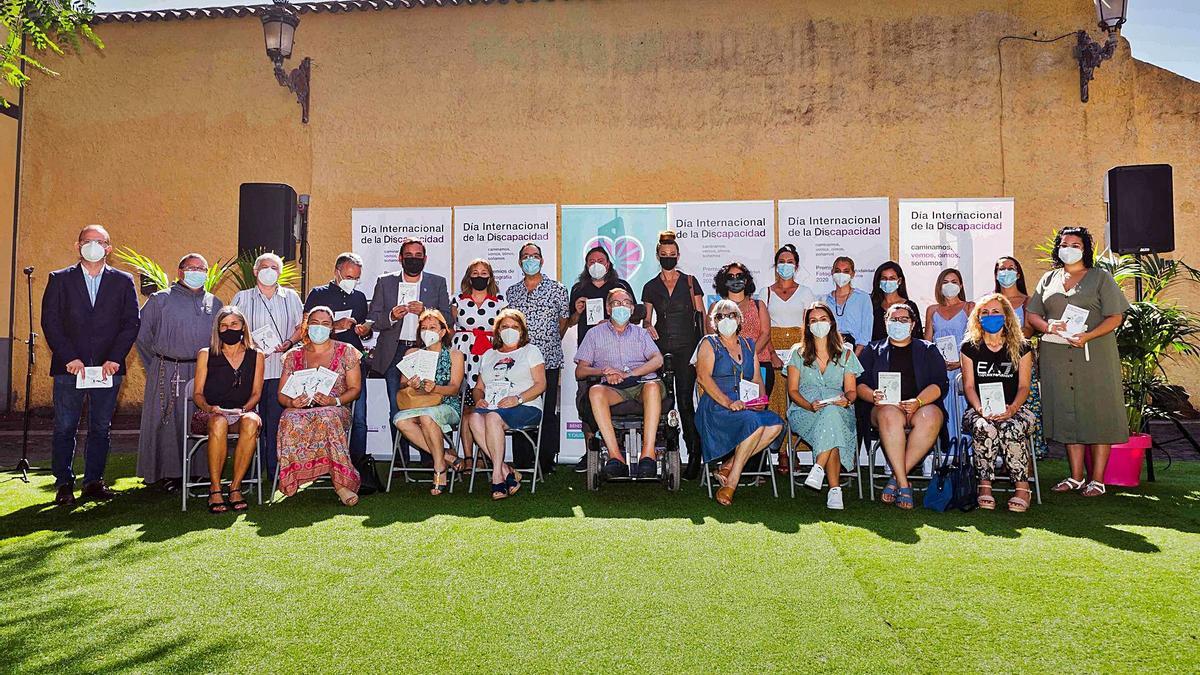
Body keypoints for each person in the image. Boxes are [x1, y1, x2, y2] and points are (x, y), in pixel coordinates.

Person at [1026, 226, 1130, 498]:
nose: (1068, 248)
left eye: (1075, 244)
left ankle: (1097, 480)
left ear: (1085, 249)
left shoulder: (1100, 278)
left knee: (1097, 413)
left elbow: (1115, 317)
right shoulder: (1049, 279)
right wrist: (1048, 327)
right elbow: (1032, 315)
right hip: (1057, 356)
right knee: (1067, 413)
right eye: (1064, 243)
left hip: (1094, 355)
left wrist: (1088, 336)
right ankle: (1075, 476)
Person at [41, 224, 140, 506]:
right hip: (70, 369)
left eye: (99, 241)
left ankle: (93, 481)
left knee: (101, 427)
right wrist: (69, 357)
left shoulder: (123, 281)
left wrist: (115, 358)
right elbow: (51, 321)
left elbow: (131, 323)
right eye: (87, 241)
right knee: (65, 427)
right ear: (77, 246)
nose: (93, 245)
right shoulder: (59, 279)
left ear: (109, 248)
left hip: (108, 370)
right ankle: (63, 484)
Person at [136, 253, 223, 492]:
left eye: (202, 268)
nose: (197, 272)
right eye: (191, 267)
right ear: (180, 271)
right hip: (167, 368)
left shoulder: (215, 303)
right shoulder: (159, 300)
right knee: (168, 420)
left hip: (203, 370)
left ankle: (201, 471)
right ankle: (168, 473)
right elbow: (142, 336)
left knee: (199, 418)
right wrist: (157, 365)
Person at [367, 237, 452, 466]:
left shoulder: (437, 282)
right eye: (409, 256)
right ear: (400, 258)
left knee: (427, 405)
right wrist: (392, 317)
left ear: (425, 259)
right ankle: (401, 462)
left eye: (418, 256)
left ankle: (431, 459)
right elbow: (374, 319)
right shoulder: (385, 282)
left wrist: (427, 311)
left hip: (427, 351)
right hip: (394, 353)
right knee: (398, 407)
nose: (413, 259)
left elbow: (449, 318)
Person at [857, 303, 948, 509]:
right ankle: (904, 484)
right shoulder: (872, 349)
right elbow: (859, 383)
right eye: (893, 319)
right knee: (889, 413)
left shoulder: (928, 349)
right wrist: (873, 395)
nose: (898, 323)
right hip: (883, 409)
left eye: (904, 320)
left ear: (913, 324)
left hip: (920, 406)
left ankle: (897, 479)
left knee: (932, 416)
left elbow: (940, 383)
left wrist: (918, 402)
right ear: (885, 322)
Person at [694, 299, 784, 506]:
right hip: (717, 407)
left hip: (745, 406)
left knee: (775, 424)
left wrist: (760, 399)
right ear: (714, 322)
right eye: (720, 316)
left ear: (740, 319)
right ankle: (731, 483)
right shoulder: (709, 343)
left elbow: (756, 379)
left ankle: (728, 466)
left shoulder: (748, 345)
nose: (726, 320)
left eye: (731, 315)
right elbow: (703, 378)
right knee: (754, 423)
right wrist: (728, 403)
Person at [304, 252, 378, 493]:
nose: (352, 281)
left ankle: (356, 469)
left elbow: (364, 329)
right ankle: (321, 467)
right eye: (348, 276)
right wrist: (335, 326)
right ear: (336, 272)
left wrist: (364, 329)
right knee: (322, 414)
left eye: (356, 277)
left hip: (353, 362)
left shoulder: (359, 297)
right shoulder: (318, 294)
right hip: (324, 364)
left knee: (359, 419)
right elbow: (308, 329)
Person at [276, 307, 363, 506]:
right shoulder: (293, 355)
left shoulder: (346, 351)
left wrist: (335, 401)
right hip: (300, 408)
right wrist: (292, 402)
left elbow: (355, 389)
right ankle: (293, 477)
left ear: (332, 327)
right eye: (315, 322)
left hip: (335, 408)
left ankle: (340, 484)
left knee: (327, 416)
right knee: (288, 416)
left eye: (325, 324)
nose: (319, 328)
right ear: (307, 326)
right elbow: (282, 394)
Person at [574, 288, 664, 480]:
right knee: (595, 391)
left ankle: (648, 455)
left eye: (626, 303)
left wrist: (628, 373)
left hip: (641, 383)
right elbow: (580, 371)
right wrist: (604, 371)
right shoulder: (594, 334)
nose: (621, 307)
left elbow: (657, 360)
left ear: (632, 309)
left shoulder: (641, 334)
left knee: (653, 386)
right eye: (616, 303)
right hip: (612, 387)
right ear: (608, 308)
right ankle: (616, 457)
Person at [567, 246, 643, 471]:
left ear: (609, 264)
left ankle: (618, 451)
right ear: (586, 265)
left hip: (621, 356)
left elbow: (636, 314)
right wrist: (578, 312)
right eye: (591, 261)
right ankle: (590, 449)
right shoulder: (579, 288)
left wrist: (610, 321)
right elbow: (570, 321)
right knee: (585, 402)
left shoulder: (620, 287)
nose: (596, 264)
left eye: (600, 260)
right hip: (590, 358)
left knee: (624, 400)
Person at [960, 294, 1037, 512]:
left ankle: (1022, 487)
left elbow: (1024, 387)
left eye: (996, 312)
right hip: (979, 410)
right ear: (978, 317)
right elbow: (969, 387)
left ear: (1006, 317)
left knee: (1010, 426)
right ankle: (984, 486)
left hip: (1015, 408)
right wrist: (981, 409)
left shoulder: (1022, 347)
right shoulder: (969, 347)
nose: (990, 316)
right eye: (985, 312)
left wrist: (1012, 408)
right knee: (985, 427)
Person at [231, 252, 304, 481]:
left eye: (274, 267)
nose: (269, 271)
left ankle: (275, 473)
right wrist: (248, 344)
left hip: (280, 373)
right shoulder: (242, 298)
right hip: (250, 372)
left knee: (275, 423)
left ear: (280, 273)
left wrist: (290, 342)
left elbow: (302, 327)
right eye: (264, 267)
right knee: (250, 423)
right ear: (255, 271)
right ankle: (249, 471)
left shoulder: (290, 297)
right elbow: (231, 328)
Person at [640, 231, 705, 479]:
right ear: (658, 256)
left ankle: (695, 456)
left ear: (678, 255)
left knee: (686, 403)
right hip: (662, 348)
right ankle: (670, 455)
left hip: (688, 348)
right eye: (664, 255)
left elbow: (701, 316)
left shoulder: (690, 281)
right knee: (666, 404)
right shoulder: (650, 286)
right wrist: (647, 324)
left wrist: (703, 350)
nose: (669, 258)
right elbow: (646, 318)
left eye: (672, 254)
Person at [785, 303, 862, 510]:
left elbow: (852, 391)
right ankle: (834, 490)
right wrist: (809, 406)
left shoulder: (846, 353)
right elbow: (792, 391)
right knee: (832, 422)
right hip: (805, 410)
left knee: (832, 415)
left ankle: (819, 467)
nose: (818, 324)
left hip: (839, 408)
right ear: (807, 326)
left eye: (823, 319)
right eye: (813, 320)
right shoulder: (797, 352)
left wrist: (846, 400)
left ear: (831, 322)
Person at [467, 309, 547, 500]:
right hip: (494, 406)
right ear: (497, 331)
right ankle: (506, 470)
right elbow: (478, 387)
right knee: (474, 418)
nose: (509, 330)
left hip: (526, 405)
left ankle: (497, 478)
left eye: (514, 327)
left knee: (493, 418)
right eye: (505, 327)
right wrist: (479, 398)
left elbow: (541, 384)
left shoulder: (531, 351)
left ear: (522, 330)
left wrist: (517, 399)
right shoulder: (488, 354)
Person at [504, 242, 569, 475]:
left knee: (547, 410)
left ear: (542, 261)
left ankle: (545, 460)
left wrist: (548, 339)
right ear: (520, 262)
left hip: (548, 359)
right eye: (526, 256)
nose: (530, 259)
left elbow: (564, 322)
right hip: (518, 362)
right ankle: (522, 459)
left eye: (535, 256)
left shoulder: (557, 289)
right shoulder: (512, 292)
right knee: (520, 405)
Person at [192, 306, 265, 513]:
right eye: (224, 325)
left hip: (242, 412)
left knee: (251, 421)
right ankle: (215, 488)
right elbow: (197, 394)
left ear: (243, 327)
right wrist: (210, 408)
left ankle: (235, 487)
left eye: (234, 324)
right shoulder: (207, 354)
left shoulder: (256, 355)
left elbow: (256, 393)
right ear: (217, 329)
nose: (229, 329)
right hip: (210, 414)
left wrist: (244, 409)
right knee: (218, 421)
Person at [392, 309, 465, 495]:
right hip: (418, 404)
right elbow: (401, 386)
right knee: (400, 420)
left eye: (432, 327)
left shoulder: (455, 355)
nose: (427, 331)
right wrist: (410, 383)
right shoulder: (412, 353)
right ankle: (446, 457)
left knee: (426, 417)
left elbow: (455, 388)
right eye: (423, 328)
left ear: (442, 332)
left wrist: (436, 388)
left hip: (447, 404)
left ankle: (439, 468)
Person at [451, 259, 508, 465]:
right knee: (466, 408)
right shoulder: (457, 299)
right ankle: (468, 457)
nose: (479, 276)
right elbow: (450, 327)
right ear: (468, 276)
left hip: (490, 355)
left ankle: (486, 455)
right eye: (475, 273)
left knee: (484, 406)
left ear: (490, 277)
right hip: (462, 355)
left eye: (484, 273)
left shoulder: (501, 301)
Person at [765, 244, 814, 473]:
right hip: (773, 348)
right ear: (776, 266)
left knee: (796, 398)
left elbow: (809, 325)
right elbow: (764, 328)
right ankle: (782, 452)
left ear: (796, 265)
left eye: (790, 261)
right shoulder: (765, 293)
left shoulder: (806, 292)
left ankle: (797, 449)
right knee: (777, 400)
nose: (785, 265)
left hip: (798, 349)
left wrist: (803, 352)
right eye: (781, 261)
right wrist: (772, 353)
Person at [995, 255, 1048, 459]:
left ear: (1018, 274)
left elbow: (1029, 330)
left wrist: (1004, 334)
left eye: (1010, 268)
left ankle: (1026, 457)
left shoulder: (1028, 301)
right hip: (993, 363)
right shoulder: (991, 300)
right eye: (1001, 269)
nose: (1006, 272)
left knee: (1022, 405)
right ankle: (997, 453)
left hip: (1019, 361)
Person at [924, 268, 974, 443]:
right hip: (940, 370)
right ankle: (945, 451)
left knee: (962, 406)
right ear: (939, 286)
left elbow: (975, 340)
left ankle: (966, 452)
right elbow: (927, 342)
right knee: (942, 407)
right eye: (945, 282)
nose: (949, 286)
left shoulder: (970, 307)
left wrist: (960, 362)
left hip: (963, 369)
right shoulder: (932, 310)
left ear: (961, 285)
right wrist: (934, 363)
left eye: (954, 282)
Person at [714, 261, 773, 405]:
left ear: (746, 280)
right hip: (727, 369)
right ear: (724, 282)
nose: (735, 279)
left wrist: (748, 359)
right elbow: (714, 340)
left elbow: (765, 334)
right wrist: (735, 360)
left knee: (757, 408)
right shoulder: (716, 309)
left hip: (760, 363)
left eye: (739, 276)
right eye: (730, 276)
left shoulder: (759, 305)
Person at [824, 256, 873, 355]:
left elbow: (866, 331)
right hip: (829, 349)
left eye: (846, 271)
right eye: (837, 271)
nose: (841, 274)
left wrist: (855, 356)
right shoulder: (824, 300)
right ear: (832, 272)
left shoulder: (863, 298)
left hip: (856, 351)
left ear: (853, 274)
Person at [869, 261, 922, 342]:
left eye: (892, 278)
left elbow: (917, 336)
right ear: (879, 281)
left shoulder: (910, 306)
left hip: (905, 352)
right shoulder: (871, 305)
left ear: (899, 281)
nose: (888, 282)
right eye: (884, 278)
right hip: (877, 352)